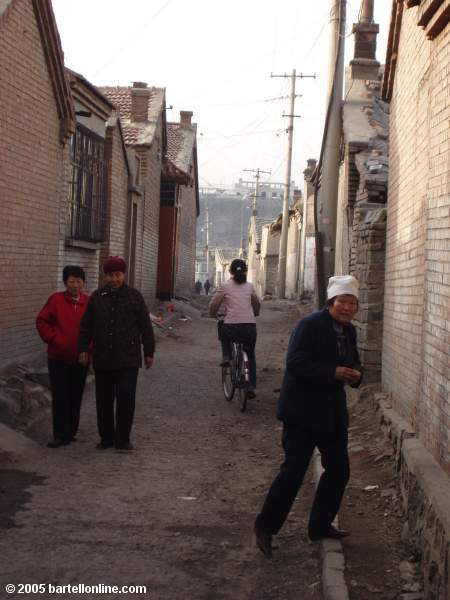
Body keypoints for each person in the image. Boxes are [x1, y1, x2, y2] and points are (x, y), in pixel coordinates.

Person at [254, 275, 363, 557]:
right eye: (343, 302)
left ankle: (320, 526)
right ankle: (265, 527)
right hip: (302, 412)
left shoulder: (349, 332)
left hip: (332, 413)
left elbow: (353, 362)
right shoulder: (309, 326)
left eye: (353, 303)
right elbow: (295, 363)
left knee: (339, 470)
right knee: (293, 472)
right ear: (331, 302)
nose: (348, 308)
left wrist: (354, 375)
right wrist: (333, 372)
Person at [78, 256, 155, 452]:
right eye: (111, 275)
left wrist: (149, 352)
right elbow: (86, 326)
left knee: (126, 397)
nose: (114, 279)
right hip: (103, 357)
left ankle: (123, 440)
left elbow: (146, 327)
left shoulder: (134, 297)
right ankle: (106, 438)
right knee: (103, 399)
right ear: (106, 276)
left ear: (124, 274)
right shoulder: (97, 297)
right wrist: (84, 348)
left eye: (118, 275)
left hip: (128, 357)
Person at [36, 265, 89, 448]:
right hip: (58, 357)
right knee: (60, 396)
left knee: (76, 395)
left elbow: (96, 328)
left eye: (78, 281)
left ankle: (71, 431)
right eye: (71, 281)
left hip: (81, 359)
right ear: (65, 282)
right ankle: (60, 435)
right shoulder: (56, 300)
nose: (75, 285)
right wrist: (53, 338)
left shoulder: (89, 303)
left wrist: (89, 349)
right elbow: (42, 321)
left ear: (84, 283)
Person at [208, 259, 260, 398]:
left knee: (223, 328)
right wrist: (254, 314)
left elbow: (214, 305)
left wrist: (213, 315)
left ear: (230, 272)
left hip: (231, 327)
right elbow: (256, 304)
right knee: (250, 354)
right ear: (245, 271)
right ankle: (250, 386)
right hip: (249, 328)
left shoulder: (225, 286)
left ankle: (227, 356)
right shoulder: (250, 286)